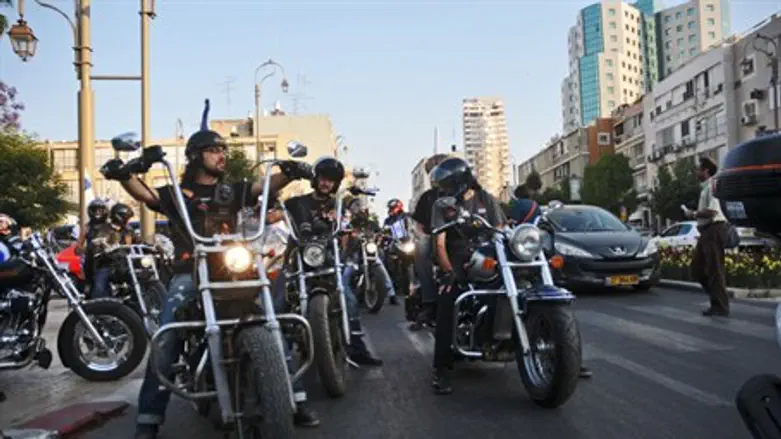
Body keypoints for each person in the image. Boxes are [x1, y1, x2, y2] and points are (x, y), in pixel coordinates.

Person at [101, 129, 317, 439]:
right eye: (214, 150)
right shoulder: (177, 192)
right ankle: (148, 418)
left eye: (224, 150)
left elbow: (263, 185)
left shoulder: (232, 190)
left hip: (232, 267)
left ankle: (294, 399)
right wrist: (122, 175)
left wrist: (291, 171)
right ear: (195, 156)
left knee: (272, 326)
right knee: (166, 338)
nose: (222, 155)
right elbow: (145, 195)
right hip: (191, 269)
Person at [285, 157, 383, 366]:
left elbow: (352, 203)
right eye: (322, 178)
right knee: (280, 302)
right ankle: (283, 364)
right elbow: (279, 211)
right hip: (300, 260)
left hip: (329, 259)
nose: (325, 183)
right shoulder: (299, 203)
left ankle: (357, 349)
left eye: (330, 180)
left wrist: (358, 209)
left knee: (348, 298)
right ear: (315, 179)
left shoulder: (337, 203)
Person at [428, 157, 507, 395]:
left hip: (489, 255)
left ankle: (562, 354)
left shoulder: (488, 200)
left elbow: (501, 232)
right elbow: (440, 244)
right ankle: (440, 368)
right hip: (459, 258)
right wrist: (449, 272)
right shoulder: (443, 206)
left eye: (446, 185)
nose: (443, 190)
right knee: (448, 300)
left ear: (460, 181)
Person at [409, 154, 450, 329]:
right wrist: (424, 236)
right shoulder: (427, 197)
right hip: (434, 238)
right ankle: (429, 301)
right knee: (421, 248)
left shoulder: (463, 193)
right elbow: (419, 225)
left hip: (458, 238)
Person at [686, 156, 730, 317]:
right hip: (706, 231)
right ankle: (717, 298)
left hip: (714, 229)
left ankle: (720, 305)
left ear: (706, 171)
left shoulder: (712, 187)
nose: (696, 172)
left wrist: (694, 214)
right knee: (697, 269)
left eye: (698, 169)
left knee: (714, 269)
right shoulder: (705, 188)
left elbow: (712, 211)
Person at [342, 199, 397, 307]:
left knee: (382, 269)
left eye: (361, 207)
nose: (361, 210)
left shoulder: (371, 224)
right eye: (357, 207)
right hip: (354, 254)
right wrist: (346, 249)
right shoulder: (351, 225)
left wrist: (380, 237)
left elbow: (380, 233)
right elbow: (344, 239)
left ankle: (392, 295)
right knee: (345, 276)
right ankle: (347, 299)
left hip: (369, 252)